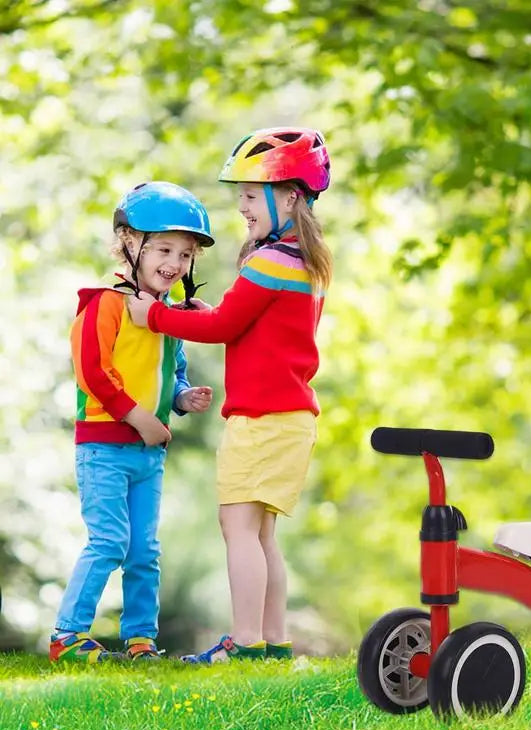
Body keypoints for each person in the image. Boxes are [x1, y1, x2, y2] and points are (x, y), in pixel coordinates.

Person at [128, 127, 332, 664]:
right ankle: (271, 643)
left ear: (289, 196)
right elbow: (244, 324)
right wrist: (202, 314)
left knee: (238, 526)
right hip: (287, 417)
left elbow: (224, 328)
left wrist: (154, 314)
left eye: (250, 192)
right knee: (261, 533)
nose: (241, 205)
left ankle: (244, 644)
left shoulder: (270, 260)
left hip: (264, 418)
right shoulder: (301, 262)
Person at [50, 182, 215, 663]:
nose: (175, 263)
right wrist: (139, 417)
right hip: (104, 447)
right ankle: (68, 634)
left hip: (148, 453)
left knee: (144, 550)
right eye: (164, 249)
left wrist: (182, 397)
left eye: (185, 255)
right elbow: (92, 371)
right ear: (129, 241)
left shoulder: (165, 316)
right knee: (109, 542)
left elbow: (172, 371)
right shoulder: (104, 302)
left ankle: (141, 638)